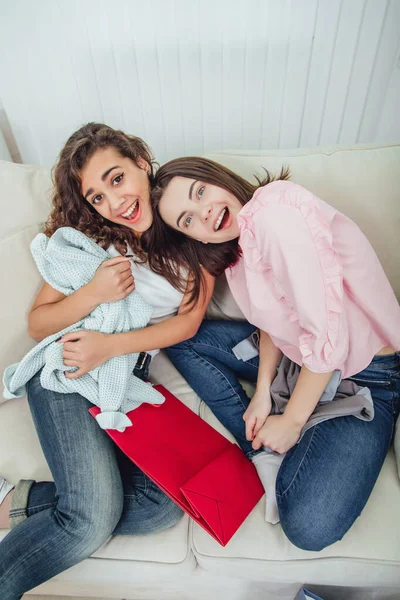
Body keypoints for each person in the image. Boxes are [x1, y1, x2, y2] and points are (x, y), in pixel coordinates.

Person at [0, 124, 231, 599]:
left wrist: (111, 349)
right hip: (67, 370)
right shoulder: (93, 241)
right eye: (97, 196)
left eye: (116, 178)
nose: (114, 202)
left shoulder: (190, 227)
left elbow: (186, 324)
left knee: (163, 505)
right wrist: (93, 292)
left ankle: (12, 500)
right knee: (87, 522)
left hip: (123, 373)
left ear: (142, 163)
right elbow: (40, 324)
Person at [149, 156, 400, 550]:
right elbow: (273, 322)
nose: (205, 212)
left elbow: (326, 335)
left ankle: (283, 435)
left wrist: (293, 422)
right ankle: (259, 446)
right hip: (297, 361)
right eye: (188, 220)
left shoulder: (274, 214)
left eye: (200, 192)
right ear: (193, 238)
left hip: (364, 375)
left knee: (307, 527)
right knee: (182, 340)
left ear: (217, 178)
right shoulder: (236, 250)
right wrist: (263, 392)